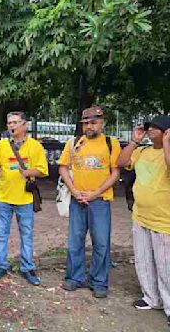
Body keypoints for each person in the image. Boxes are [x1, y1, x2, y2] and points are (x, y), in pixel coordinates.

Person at [58, 106, 121, 298]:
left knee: (101, 242)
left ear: (102, 122)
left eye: (93, 122)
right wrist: (75, 191)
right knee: (75, 241)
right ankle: (74, 277)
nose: (89, 126)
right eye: (85, 123)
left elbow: (116, 173)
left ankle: (99, 281)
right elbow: (62, 168)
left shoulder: (111, 143)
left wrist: (95, 193)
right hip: (78, 200)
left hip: (100, 201)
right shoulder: (74, 143)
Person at [116, 116, 170, 325]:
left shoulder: (166, 151)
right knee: (144, 260)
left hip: (164, 219)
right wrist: (134, 141)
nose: (150, 130)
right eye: (148, 127)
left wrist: (166, 143)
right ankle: (151, 298)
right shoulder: (142, 151)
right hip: (141, 215)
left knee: (165, 266)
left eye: (155, 128)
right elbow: (120, 162)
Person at [0, 111, 48, 286]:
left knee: (27, 235)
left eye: (15, 122)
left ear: (25, 125)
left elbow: (43, 170)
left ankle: (27, 268)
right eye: (9, 123)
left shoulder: (35, 147)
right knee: (1, 233)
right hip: (3, 197)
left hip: (25, 199)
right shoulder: (1, 145)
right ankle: (0, 265)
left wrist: (29, 172)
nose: (11, 126)